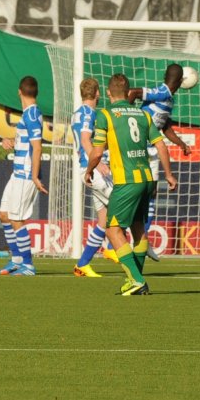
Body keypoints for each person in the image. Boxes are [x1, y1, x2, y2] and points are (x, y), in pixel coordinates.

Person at [86, 73, 177, 295]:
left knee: (113, 229)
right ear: (128, 94)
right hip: (147, 179)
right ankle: (135, 279)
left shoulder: (105, 116)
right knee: (138, 229)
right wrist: (169, 175)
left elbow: (97, 152)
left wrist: (89, 170)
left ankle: (136, 280)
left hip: (127, 181)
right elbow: (161, 146)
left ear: (109, 93)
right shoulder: (143, 114)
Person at [127, 64, 192, 261]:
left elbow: (165, 126)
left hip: (150, 149)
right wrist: (127, 114)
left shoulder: (168, 97)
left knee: (151, 192)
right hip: (141, 148)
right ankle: (132, 239)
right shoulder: (162, 91)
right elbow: (134, 92)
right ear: (181, 81)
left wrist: (181, 143)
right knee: (138, 192)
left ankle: (143, 241)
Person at [0, 76, 48, 276]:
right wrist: (11, 141)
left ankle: (28, 265)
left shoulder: (32, 114)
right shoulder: (28, 114)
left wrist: (35, 176)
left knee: (17, 219)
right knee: (4, 215)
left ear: (19, 91)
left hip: (26, 174)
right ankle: (17, 260)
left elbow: (37, 147)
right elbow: (28, 143)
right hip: (17, 173)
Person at [71, 77, 116, 277]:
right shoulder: (89, 113)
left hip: (87, 168)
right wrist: (98, 162)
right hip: (93, 169)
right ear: (97, 93)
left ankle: (82, 264)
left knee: (104, 220)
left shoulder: (77, 113)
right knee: (121, 203)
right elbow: (84, 139)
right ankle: (115, 248)